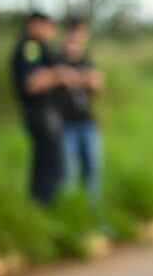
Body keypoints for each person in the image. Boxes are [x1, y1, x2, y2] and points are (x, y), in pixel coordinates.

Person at [10, 11, 76, 205]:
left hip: (47, 116)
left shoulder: (41, 48)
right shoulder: (31, 47)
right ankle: (44, 210)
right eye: (48, 26)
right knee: (52, 167)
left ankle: (39, 211)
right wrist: (60, 75)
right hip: (41, 116)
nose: (51, 31)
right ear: (34, 24)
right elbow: (32, 82)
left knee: (46, 166)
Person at [56, 18, 106, 206]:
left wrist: (92, 82)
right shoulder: (57, 59)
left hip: (87, 122)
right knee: (68, 172)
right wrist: (65, 77)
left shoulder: (86, 59)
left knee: (93, 169)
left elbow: (97, 85)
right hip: (65, 123)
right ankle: (70, 212)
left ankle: (92, 210)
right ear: (67, 34)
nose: (78, 39)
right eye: (75, 34)